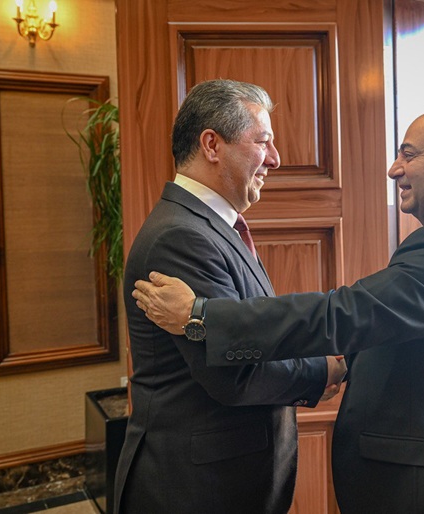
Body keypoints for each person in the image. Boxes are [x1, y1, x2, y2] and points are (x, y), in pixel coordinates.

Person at [133, 104, 424, 514]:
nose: (394, 169)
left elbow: (345, 313)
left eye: (409, 154)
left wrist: (201, 316)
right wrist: (328, 367)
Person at [114, 79, 347, 514]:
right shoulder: (180, 237)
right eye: (263, 142)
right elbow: (233, 373)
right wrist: (323, 370)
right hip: (195, 490)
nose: (275, 158)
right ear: (211, 145)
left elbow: (250, 331)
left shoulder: (211, 226)